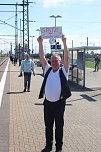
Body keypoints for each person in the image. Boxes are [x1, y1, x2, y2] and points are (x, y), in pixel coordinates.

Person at [37, 34, 70, 152]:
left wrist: (64, 42)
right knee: (48, 126)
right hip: (48, 104)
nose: (54, 62)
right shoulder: (48, 69)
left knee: (59, 127)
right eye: (53, 60)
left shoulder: (64, 71)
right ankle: (48, 146)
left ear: (60, 62)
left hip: (59, 104)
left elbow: (67, 58)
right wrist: (40, 43)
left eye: (56, 60)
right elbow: (41, 57)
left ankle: (59, 148)